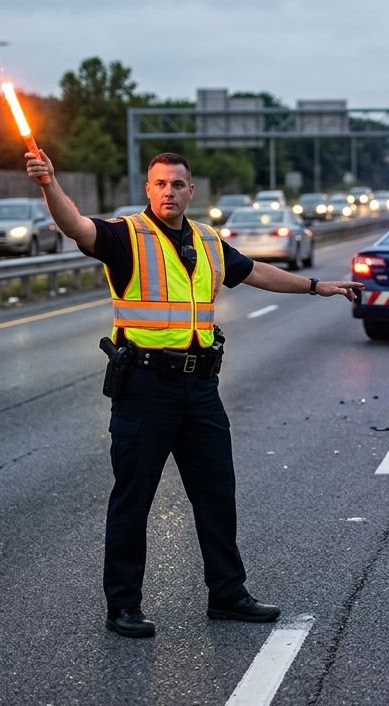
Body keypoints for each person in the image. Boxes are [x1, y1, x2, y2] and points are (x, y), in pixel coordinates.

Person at [24, 150, 362, 639]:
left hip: (200, 388)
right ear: (148, 189)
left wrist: (317, 286)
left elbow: (256, 273)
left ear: (190, 191)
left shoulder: (206, 240)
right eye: (160, 183)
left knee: (216, 495)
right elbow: (75, 225)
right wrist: (49, 184)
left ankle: (227, 594)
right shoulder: (125, 237)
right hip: (144, 389)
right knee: (132, 500)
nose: (168, 192)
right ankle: (123, 606)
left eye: (177, 184)